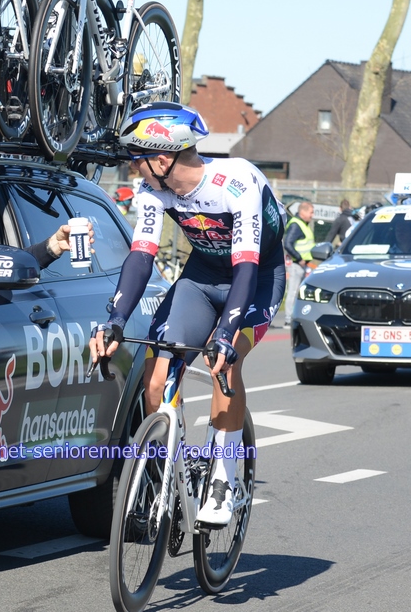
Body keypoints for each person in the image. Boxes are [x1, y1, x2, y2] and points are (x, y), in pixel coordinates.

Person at [88, 102, 286, 526]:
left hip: (255, 278)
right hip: (201, 277)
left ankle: (223, 477)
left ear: (162, 160)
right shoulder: (152, 191)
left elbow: (246, 266)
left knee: (224, 364)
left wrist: (225, 333)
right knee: (156, 379)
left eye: (137, 158)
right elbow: (141, 257)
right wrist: (115, 320)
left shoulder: (237, 182)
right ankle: (169, 477)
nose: (133, 167)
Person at [282, 201, 315, 327]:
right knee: (293, 291)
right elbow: (288, 243)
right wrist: (299, 258)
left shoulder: (303, 224)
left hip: (301, 264)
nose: (312, 215)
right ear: (303, 212)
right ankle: (288, 320)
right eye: (311, 212)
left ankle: (294, 317)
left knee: (297, 292)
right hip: (296, 264)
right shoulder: (296, 225)